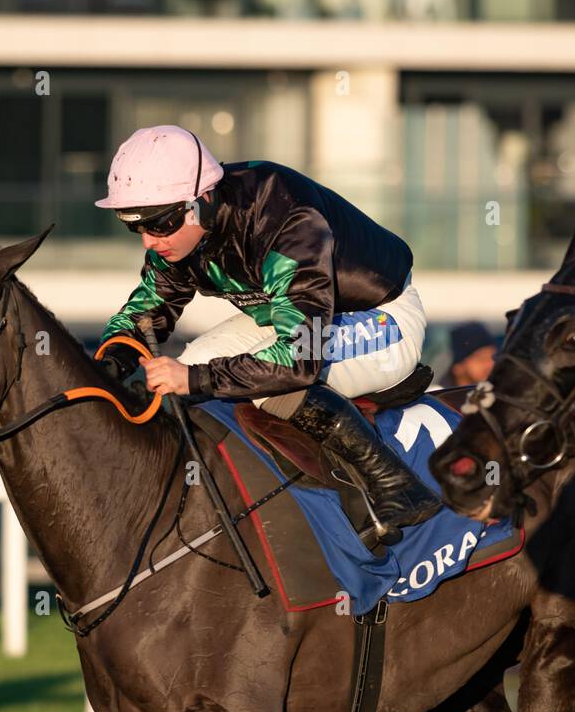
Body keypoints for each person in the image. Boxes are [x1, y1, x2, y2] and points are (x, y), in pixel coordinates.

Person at [94, 124, 441, 542]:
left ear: (201, 203)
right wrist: (109, 362)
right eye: (136, 227)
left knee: (262, 382)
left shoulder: (288, 220)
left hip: (382, 317)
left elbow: (298, 359)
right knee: (187, 368)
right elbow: (150, 308)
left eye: (160, 224)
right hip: (294, 318)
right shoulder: (178, 235)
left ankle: (394, 486)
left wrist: (197, 380)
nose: (150, 241)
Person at [438, 321, 496, 389]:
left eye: (494, 357)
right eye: (482, 359)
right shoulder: (434, 397)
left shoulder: (500, 395)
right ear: (457, 368)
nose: (491, 364)